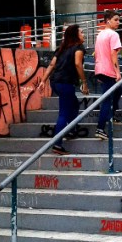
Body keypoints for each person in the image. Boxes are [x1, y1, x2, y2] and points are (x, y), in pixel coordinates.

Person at [38, 24, 89, 154]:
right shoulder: (79, 48)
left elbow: (51, 64)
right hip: (65, 83)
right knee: (64, 113)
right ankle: (57, 144)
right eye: (81, 32)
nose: (84, 35)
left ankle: (70, 130)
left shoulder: (62, 48)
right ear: (75, 35)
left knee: (74, 104)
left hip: (55, 82)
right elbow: (77, 63)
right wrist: (84, 82)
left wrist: (43, 80)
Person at [94, 10, 122, 140]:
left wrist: (98, 72)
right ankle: (100, 128)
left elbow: (97, 53)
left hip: (100, 69)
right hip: (108, 70)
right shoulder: (114, 34)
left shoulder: (100, 35)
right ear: (108, 21)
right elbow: (113, 54)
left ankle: (111, 114)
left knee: (118, 90)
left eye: (119, 20)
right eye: (116, 20)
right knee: (107, 99)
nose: (118, 22)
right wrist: (117, 72)